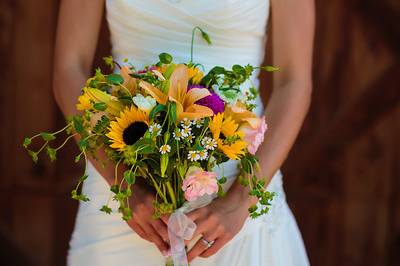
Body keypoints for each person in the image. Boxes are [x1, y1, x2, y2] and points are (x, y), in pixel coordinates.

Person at [53, 0, 314, 265]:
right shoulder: (123, 187)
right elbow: (69, 67)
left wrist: (240, 201)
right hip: (125, 182)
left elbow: (294, 81)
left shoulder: (239, 199)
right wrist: (123, 186)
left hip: (238, 183)